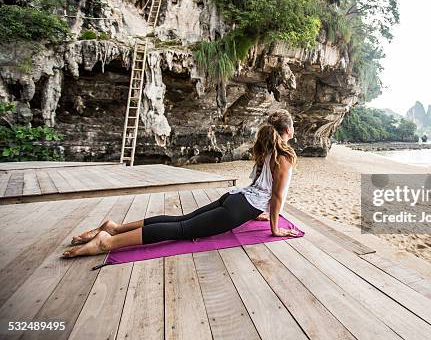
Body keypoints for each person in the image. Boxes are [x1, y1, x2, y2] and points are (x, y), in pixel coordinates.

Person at [62, 109, 301, 258]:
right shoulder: (285, 156)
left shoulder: (268, 149)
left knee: (180, 220)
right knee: (182, 230)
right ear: (288, 130)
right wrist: (274, 228)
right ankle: (108, 242)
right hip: (241, 206)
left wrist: (258, 212)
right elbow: (277, 196)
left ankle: (115, 228)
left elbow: (261, 187)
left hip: (236, 198)